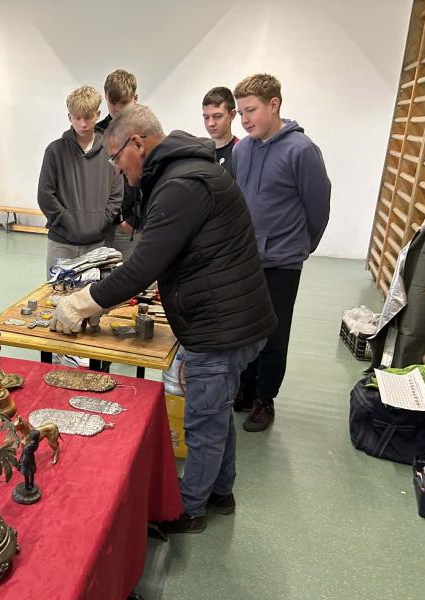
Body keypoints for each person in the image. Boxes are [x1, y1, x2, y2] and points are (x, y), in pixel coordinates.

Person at [50, 105, 276, 533]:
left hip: (220, 326)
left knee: (203, 420)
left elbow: (143, 266)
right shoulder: (185, 171)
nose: (117, 169)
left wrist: (84, 302)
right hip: (231, 318)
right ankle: (220, 492)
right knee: (217, 410)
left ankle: (188, 511)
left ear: (137, 143)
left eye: (116, 158)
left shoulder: (181, 185)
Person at [233, 73, 331, 431]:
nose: (244, 120)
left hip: (283, 261)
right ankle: (244, 390)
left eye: (251, 110)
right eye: (240, 112)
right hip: (246, 259)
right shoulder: (242, 150)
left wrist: (301, 247)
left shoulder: (302, 150)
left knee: (273, 333)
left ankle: (265, 399)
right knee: (244, 329)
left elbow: (318, 207)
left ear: (274, 105)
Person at [38, 85, 123, 278]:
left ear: (98, 114)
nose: (83, 124)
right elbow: (45, 195)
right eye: (77, 118)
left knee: (93, 295)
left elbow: (117, 193)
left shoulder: (110, 151)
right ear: (69, 117)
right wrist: (67, 220)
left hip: (97, 244)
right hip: (61, 243)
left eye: (88, 117)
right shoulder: (54, 151)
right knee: (57, 293)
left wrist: (100, 222)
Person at [96, 69, 141, 259]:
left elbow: (152, 179)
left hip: (131, 226)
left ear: (135, 99)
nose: (117, 109)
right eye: (112, 103)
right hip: (100, 225)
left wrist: (134, 218)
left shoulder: (146, 132)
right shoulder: (97, 133)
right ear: (105, 98)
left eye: (123, 103)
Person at [202, 86, 240, 177]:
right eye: (206, 117)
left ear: (231, 115)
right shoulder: (199, 154)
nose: (210, 123)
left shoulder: (242, 152)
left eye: (217, 116)